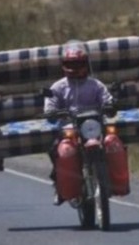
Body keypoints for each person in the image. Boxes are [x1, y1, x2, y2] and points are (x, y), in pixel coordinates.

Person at [44, 40, 114, 206]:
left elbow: (107, 99)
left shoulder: (96, 85)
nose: (74, 67)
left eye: (78, 63)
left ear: (85, 64)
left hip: (94, 126)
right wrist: (52, 112)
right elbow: (50, 105)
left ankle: (110, 180)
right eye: (70, 64)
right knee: (55, 150)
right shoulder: (58, 87)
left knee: (114, 141)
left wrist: (110, 105)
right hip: (69, 128)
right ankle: (59, 186)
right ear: (64, 65)